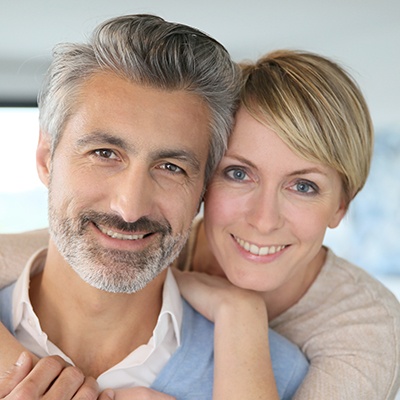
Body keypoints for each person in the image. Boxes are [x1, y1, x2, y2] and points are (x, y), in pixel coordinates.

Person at [0, 15, 308, 400]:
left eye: (170, 167)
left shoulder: (282, 375)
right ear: (47, 158)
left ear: (203, 189)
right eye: (104, 153)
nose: (129, 208)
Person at [172, 50, 400, 399]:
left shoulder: (368, 328)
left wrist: (240, 313)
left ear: (341, 205)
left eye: (303, 186)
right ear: (204, 179)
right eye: (238, 173)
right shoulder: (150, 241)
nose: (264, 220)